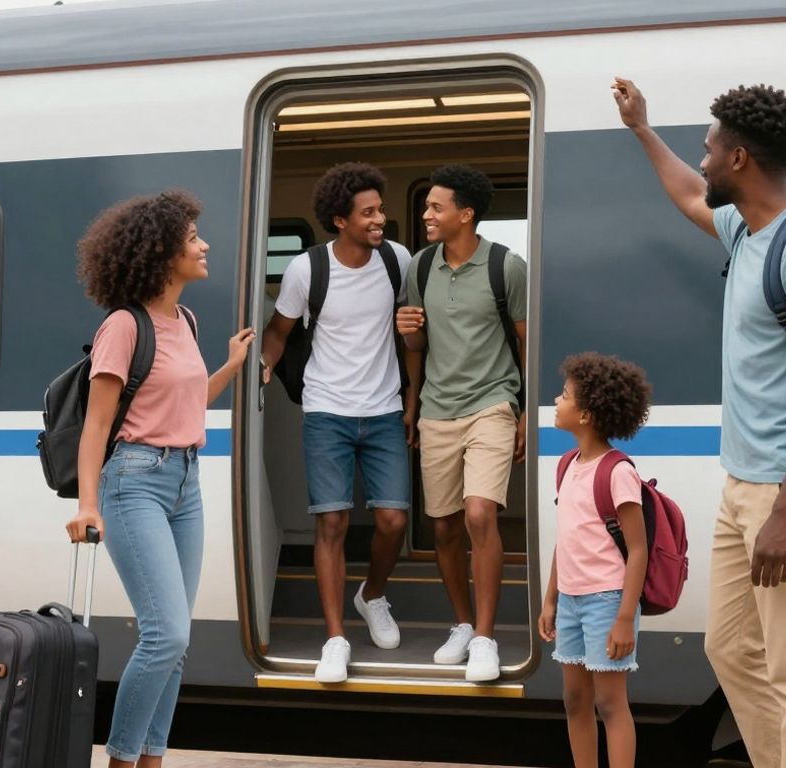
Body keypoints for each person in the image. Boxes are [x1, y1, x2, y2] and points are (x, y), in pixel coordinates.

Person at [613, 78, 786, 768]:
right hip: (744, 485)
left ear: (741, 160)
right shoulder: (747, 230)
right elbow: (688, 195)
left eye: (710, 149)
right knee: (730, 647)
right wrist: (641, 128)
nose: (703, 161)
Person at [65, 190, 254, 768]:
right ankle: (122, 761)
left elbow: (189, 403)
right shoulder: (123, 327)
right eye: (193, 238)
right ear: (161, 253)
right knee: (164, 634)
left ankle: (152, 760)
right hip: (133, 483)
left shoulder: (185, 319)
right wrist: (87, 505)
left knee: (177, 643)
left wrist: (231, 367)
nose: (204, 246)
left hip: (185, 482)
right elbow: (96, 426)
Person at [259, 162, 416, 683]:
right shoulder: (308, 270)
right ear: (339, 220)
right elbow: (279, 330)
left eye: (380, 209)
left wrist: (412, 385)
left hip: (385, 409)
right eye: (368, 212)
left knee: (394, 520)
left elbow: (413, 333)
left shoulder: (397, 260)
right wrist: (262, 364)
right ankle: (334, 639)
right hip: (327, 410)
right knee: (332, 522)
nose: (380, 219)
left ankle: (372, 595)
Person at [395, 163, 527, 682]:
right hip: (436, 408)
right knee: (444, 527)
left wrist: (525, 417)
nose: (426, 215)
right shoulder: (421, 268)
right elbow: (417, 346)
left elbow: (524, 340)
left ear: (465, 214)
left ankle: (488, 640)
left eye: (435, 207)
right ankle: (464, 626)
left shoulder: (505, 267)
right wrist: (407, 336)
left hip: (493, 402)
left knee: (478, 516)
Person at [540, 352, 651, 768]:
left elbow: (637, 549)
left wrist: (625, 617)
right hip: (570, 600)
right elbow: (565, 539)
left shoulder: (618, 471)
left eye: (564, 395)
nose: (556, 399)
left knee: (609, 703)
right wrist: (551, 598)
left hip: (607, 601)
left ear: (585, 415)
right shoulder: (567, 465)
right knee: (575, 700)